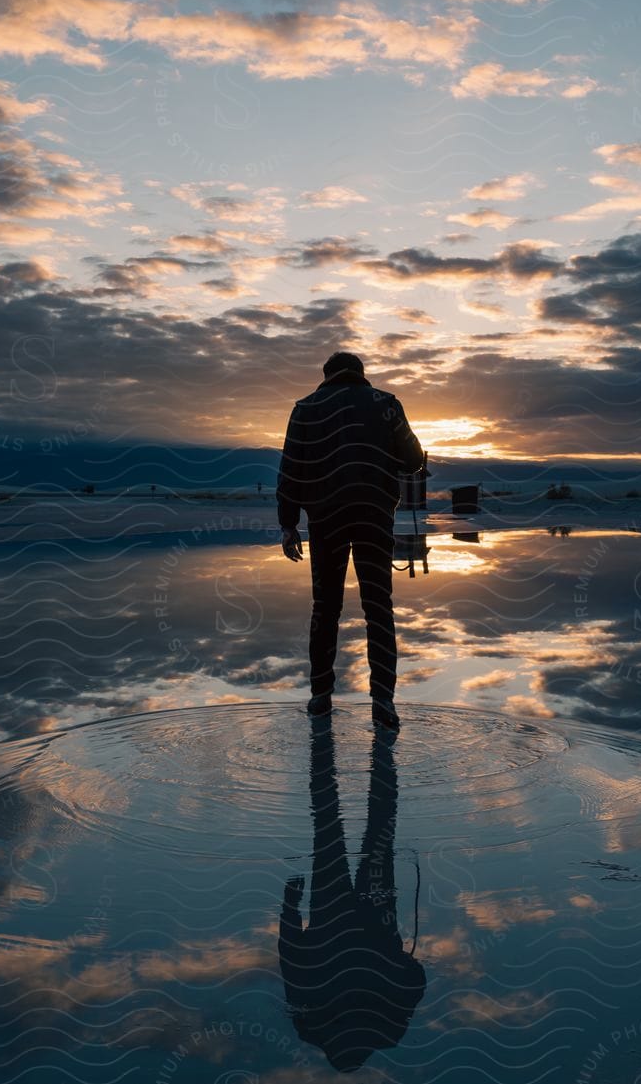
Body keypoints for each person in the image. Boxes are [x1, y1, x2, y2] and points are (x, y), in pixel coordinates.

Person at [276, 351, 426, 729]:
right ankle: (383, 702)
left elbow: (290, 467)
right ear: (362, 374)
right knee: (379, 607)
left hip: (325, 519)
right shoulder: (387, 405)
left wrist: (288, 524)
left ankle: (320, 696)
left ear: (326, 375)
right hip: (375, 518)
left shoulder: (305, 408)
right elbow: (413, 461)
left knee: (325, 607)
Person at [279, 719, 425, 1071]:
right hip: (347, 916)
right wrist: (289, 903)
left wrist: (289, 903)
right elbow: (291, 957)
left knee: (371, 831)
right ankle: (365, 741)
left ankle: (372, 744)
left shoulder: (384, 1029)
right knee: (331, 827)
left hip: (364, 918)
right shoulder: (315, 1023)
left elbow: (416, 979)